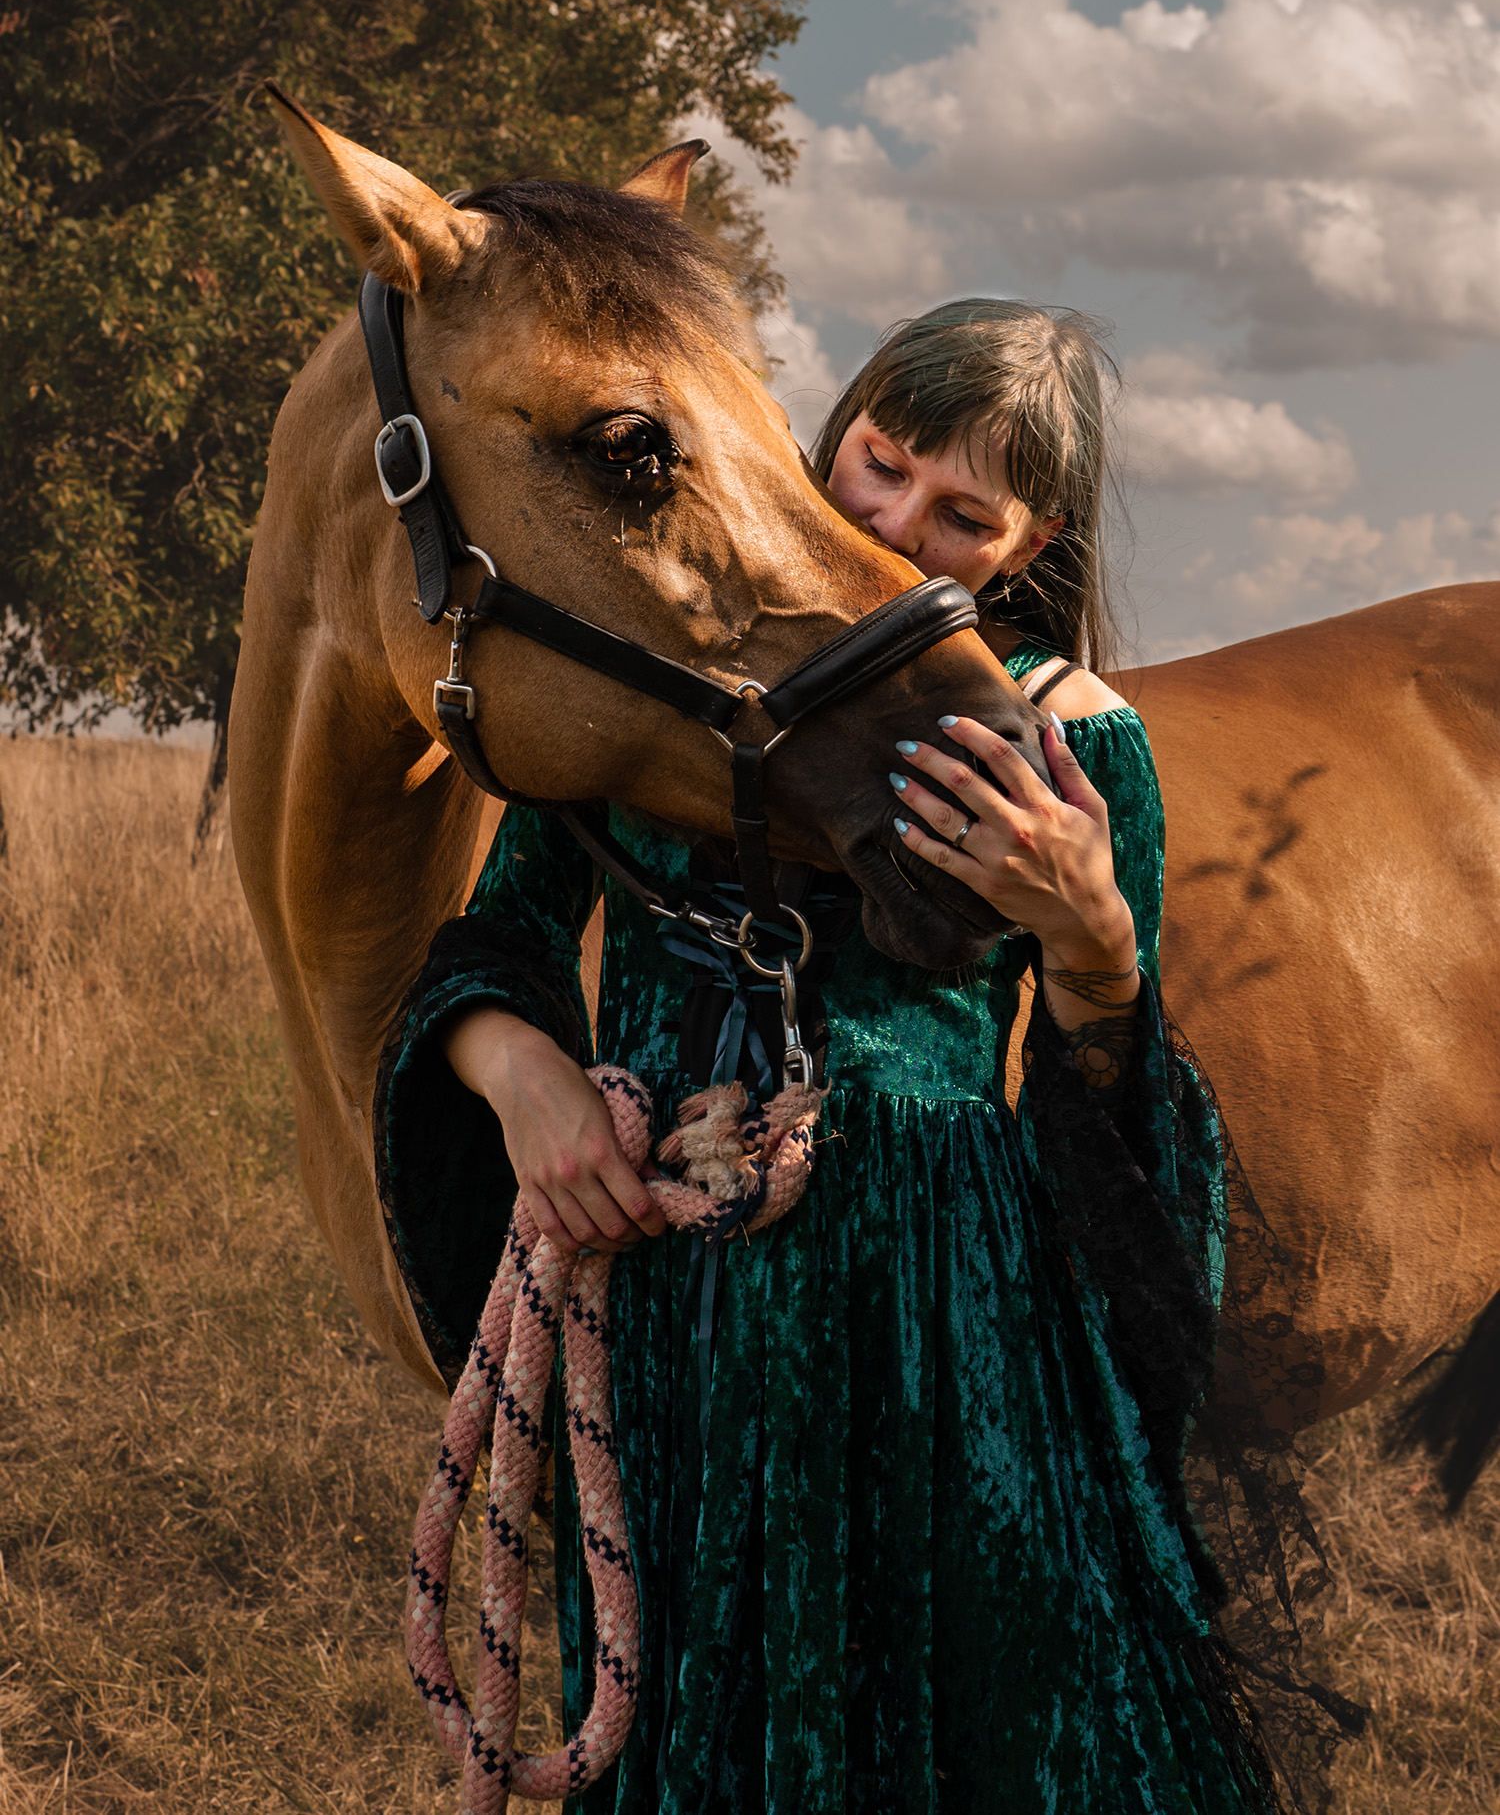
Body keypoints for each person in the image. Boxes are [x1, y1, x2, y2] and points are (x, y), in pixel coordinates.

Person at [376, 299, 1328, 1814]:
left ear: (1031, 543)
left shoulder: (1068, 736)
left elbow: (1109, 1101)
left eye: (965, 513)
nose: (899, 524)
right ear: (834, 434)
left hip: (942, 1319)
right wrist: (521, 1075)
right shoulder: (665, 672)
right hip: (675, 1297)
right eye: (883, 465)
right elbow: (500, 937)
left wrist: (1093, 936)